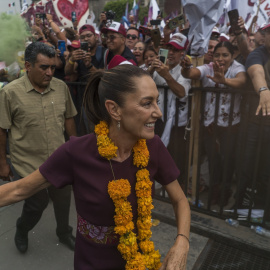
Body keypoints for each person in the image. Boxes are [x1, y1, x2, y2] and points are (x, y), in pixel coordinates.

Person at [0, 65, 191, 270]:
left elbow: (180, 200)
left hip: (139, 259)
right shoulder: (76, 152)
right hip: (91, 262)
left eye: (157, 102)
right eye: (147, 103)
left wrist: (182, 241)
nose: (158, 112)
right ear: (114, 109)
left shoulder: (154, 147)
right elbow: (19, 190)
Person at [0, 42, 77, 253]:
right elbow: (2, 129)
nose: (50, 72)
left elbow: (69, 118)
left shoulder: (61, 88)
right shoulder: (10, 93)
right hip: (28, 165)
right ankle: (22, 229)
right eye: (44, 67)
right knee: (37, 203)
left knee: (63, 201)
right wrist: (2, 163)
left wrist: (77, 149)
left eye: (52, 67)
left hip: (59, 162)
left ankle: (64, 232)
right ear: (27, 66)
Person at [181, 41, 247, 206]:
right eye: (217, 55)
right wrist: (186, 68)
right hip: (210, 125)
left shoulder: (237, 68)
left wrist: (224, 80)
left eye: (225, 55)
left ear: (232, 56)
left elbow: (241, 82)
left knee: (227, 160)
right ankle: (215, 191)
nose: (220, 58)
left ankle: (224, 191)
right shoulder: (208, 67)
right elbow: (191, 74)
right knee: (213, 160)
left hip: (231, 125)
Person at [237, 23, 270, 221]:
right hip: (256, 124)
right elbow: (256, 72)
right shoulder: (258, 54)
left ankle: (263, 211)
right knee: (247, 165)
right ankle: (241, 207)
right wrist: (264, 90)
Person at [151, 33, 191, 184]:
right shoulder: (158, 66)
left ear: (183, 53)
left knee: (173, 159)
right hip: (156, 119)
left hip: (175, 123)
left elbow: (182, 93)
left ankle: (173, 191)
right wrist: (150, 69)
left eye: (176, 49)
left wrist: (166, 75)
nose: (172, 53)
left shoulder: (185, 70)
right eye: (169, 48)